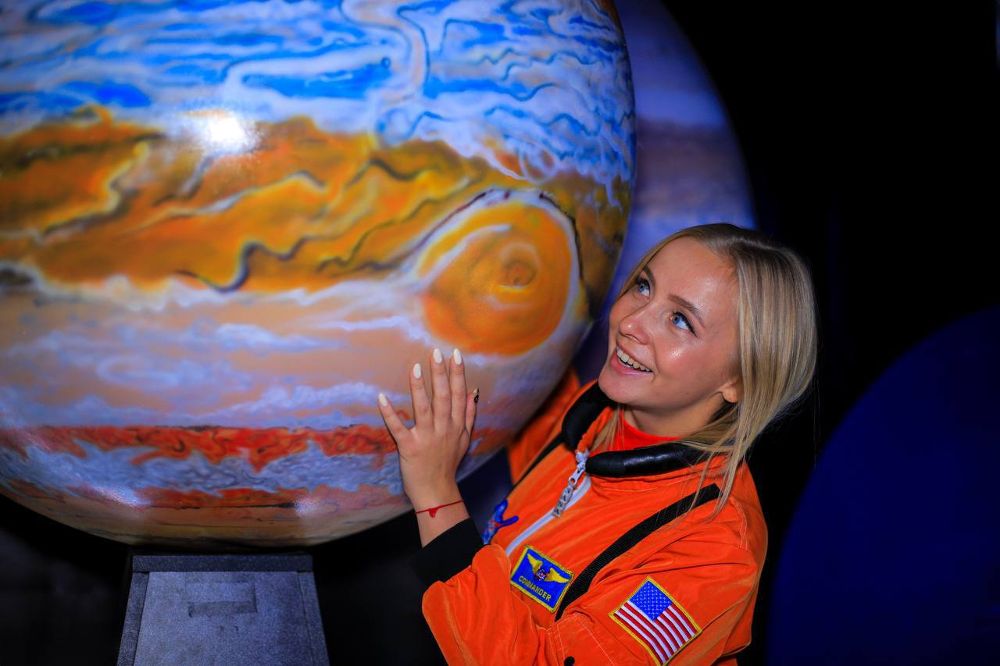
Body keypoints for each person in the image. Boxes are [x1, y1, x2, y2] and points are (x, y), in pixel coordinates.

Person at [377, 223, 817, 664]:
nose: (630, 322)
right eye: (643, 286)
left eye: (680, 320)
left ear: (738, 379)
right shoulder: (594, 414)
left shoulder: (713, 550)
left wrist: (435, 494)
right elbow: (539, 424)